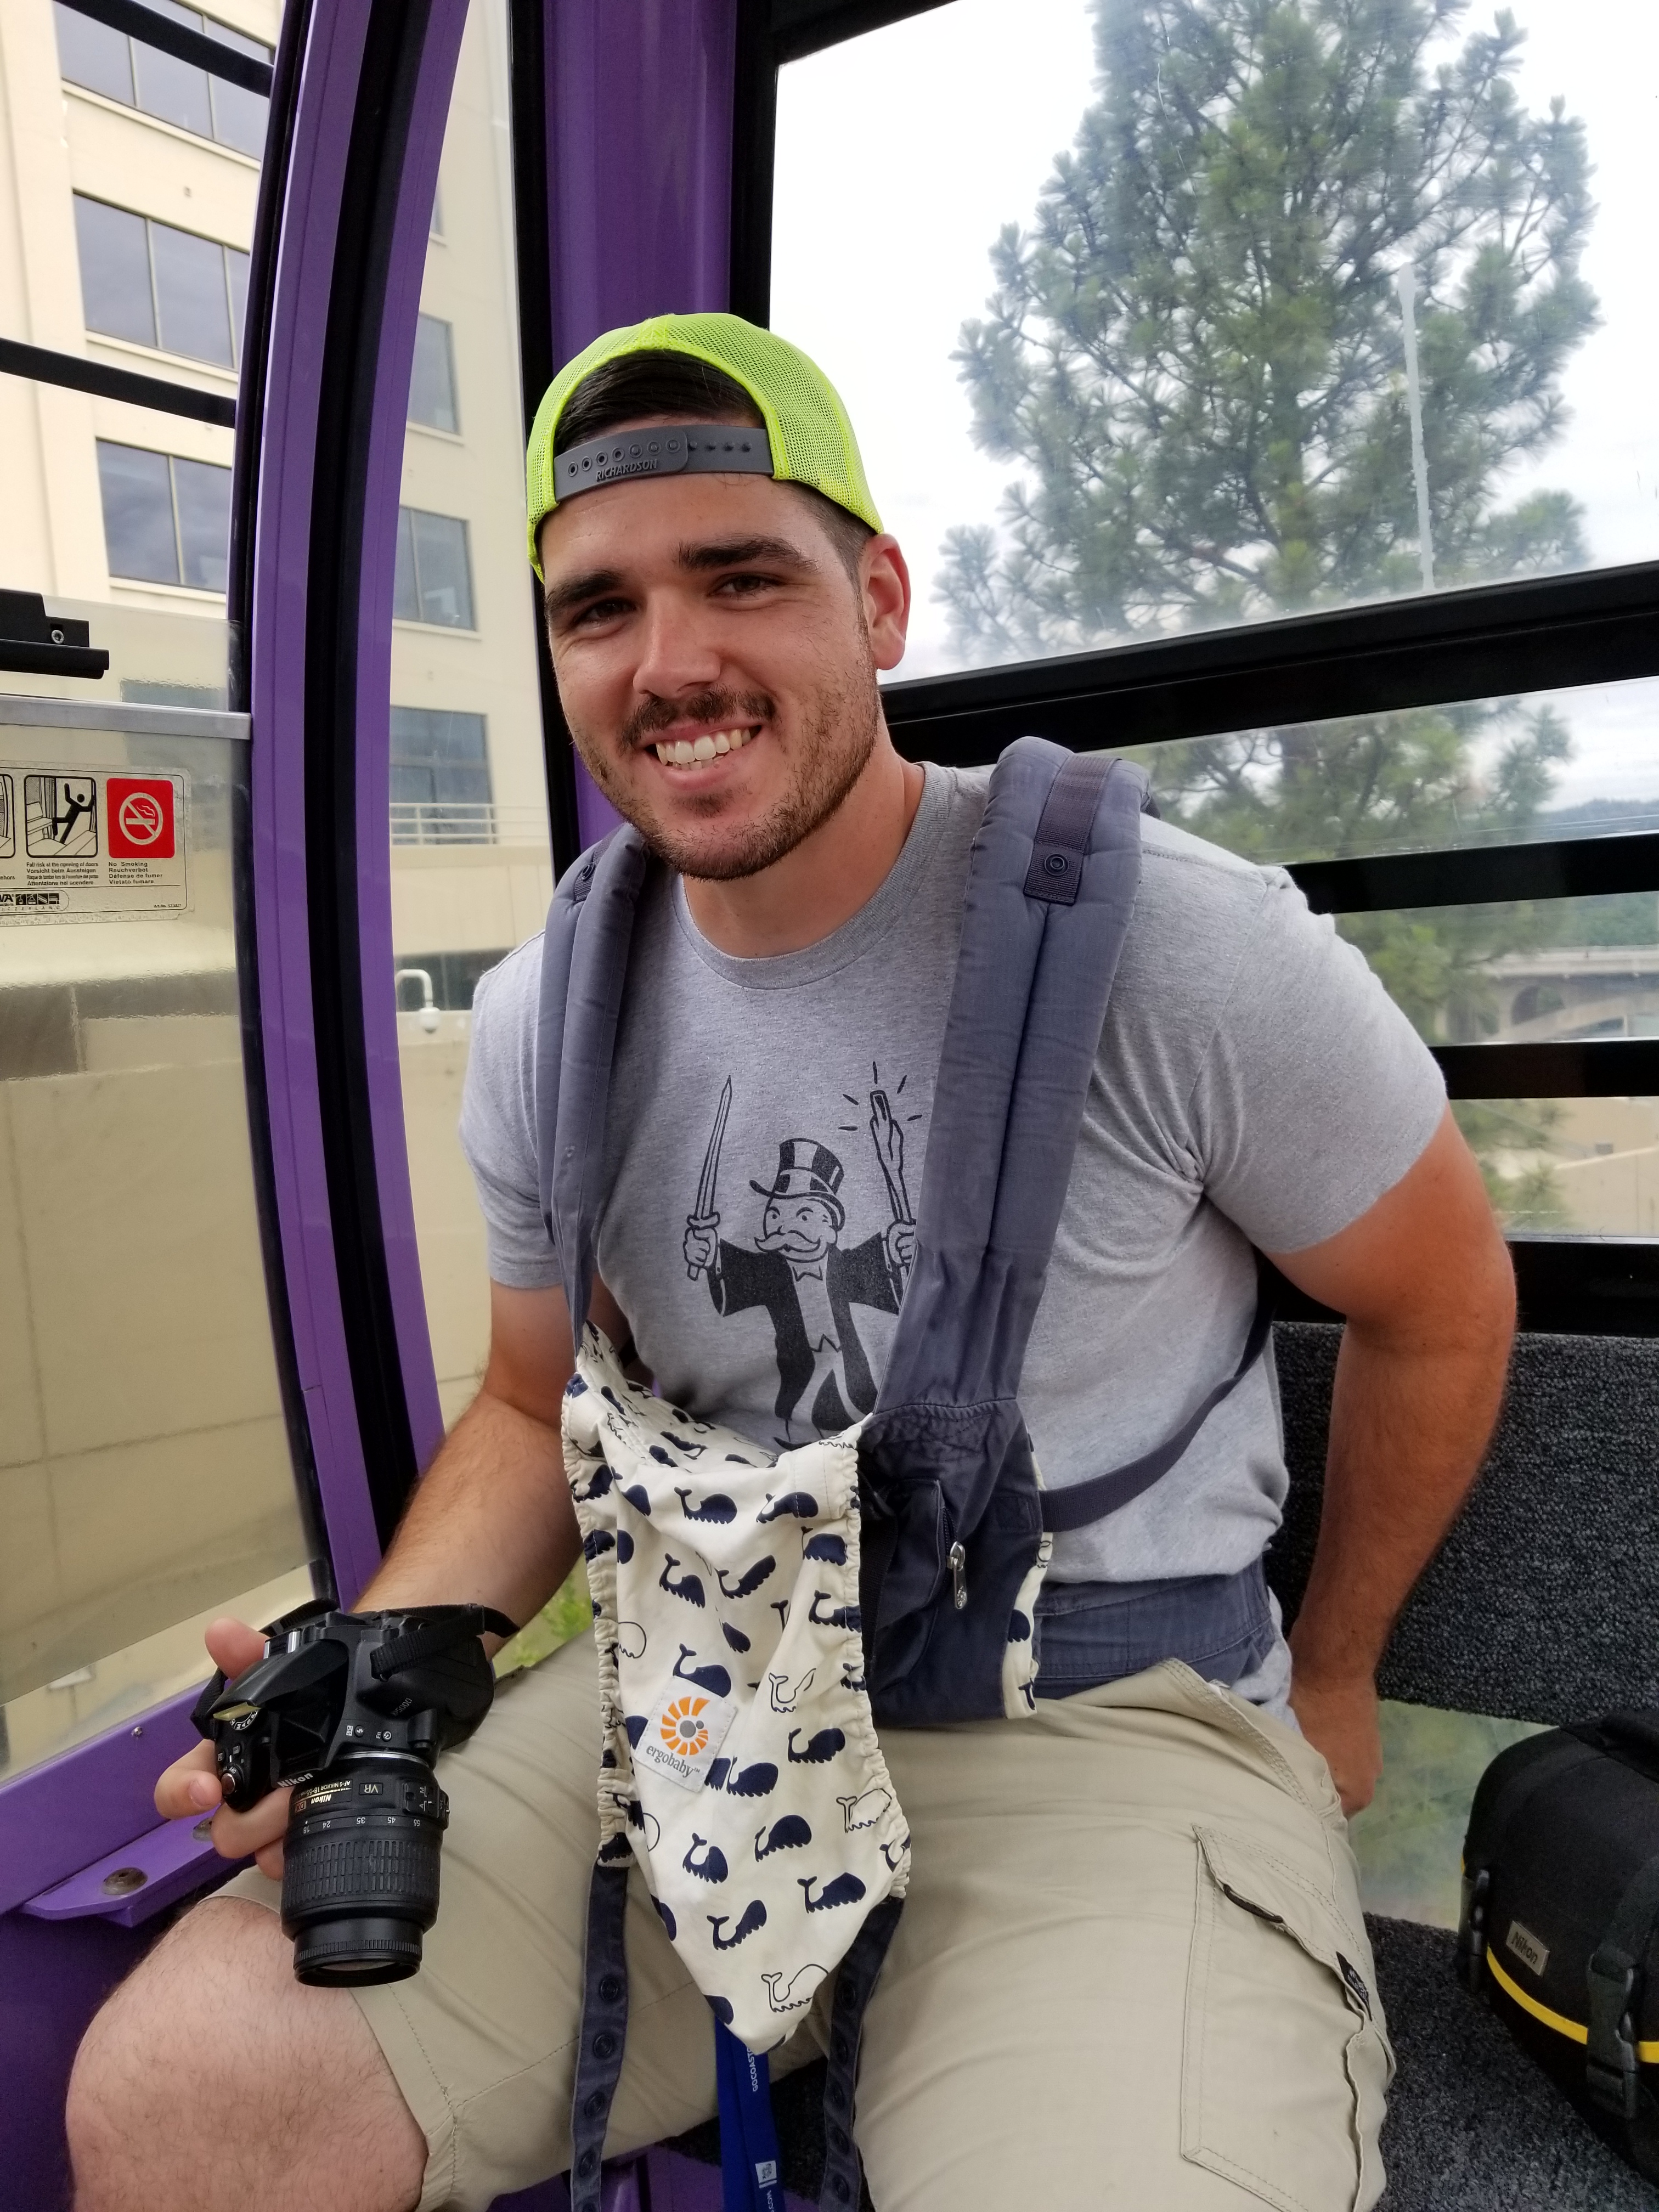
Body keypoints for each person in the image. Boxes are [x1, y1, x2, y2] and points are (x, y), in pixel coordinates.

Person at [67, 314, 1516, 2212]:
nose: (671, 662)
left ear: (880, 602)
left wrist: (1333, 1677)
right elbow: (531, 1405)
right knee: (180, 2101)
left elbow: (1439, 1301)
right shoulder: (549, 1020)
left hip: (1102, 1731)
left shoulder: (1174, 949)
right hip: (705, 1692)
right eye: (599, 609)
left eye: (740, 577)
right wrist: (392, 1657)